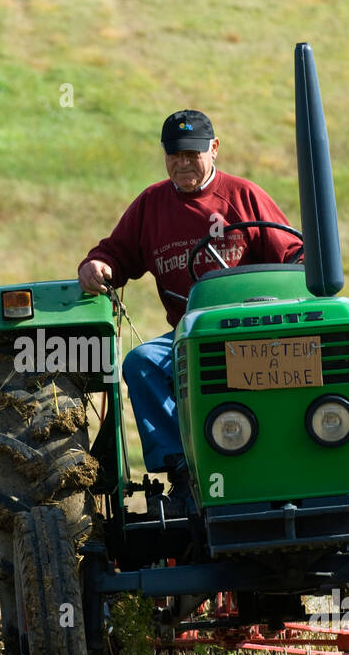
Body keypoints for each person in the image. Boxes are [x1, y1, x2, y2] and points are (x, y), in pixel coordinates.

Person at [78, 109, 302, 476]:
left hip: (255, 330)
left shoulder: (243, 196)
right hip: (190, 336)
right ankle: (183, 466)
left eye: (192, 154)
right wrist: (97, 265)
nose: (183, 164)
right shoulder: (150, 206)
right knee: (142, 362)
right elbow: (115, 254)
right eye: (174, 155)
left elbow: (293, 253)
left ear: (214, 149)